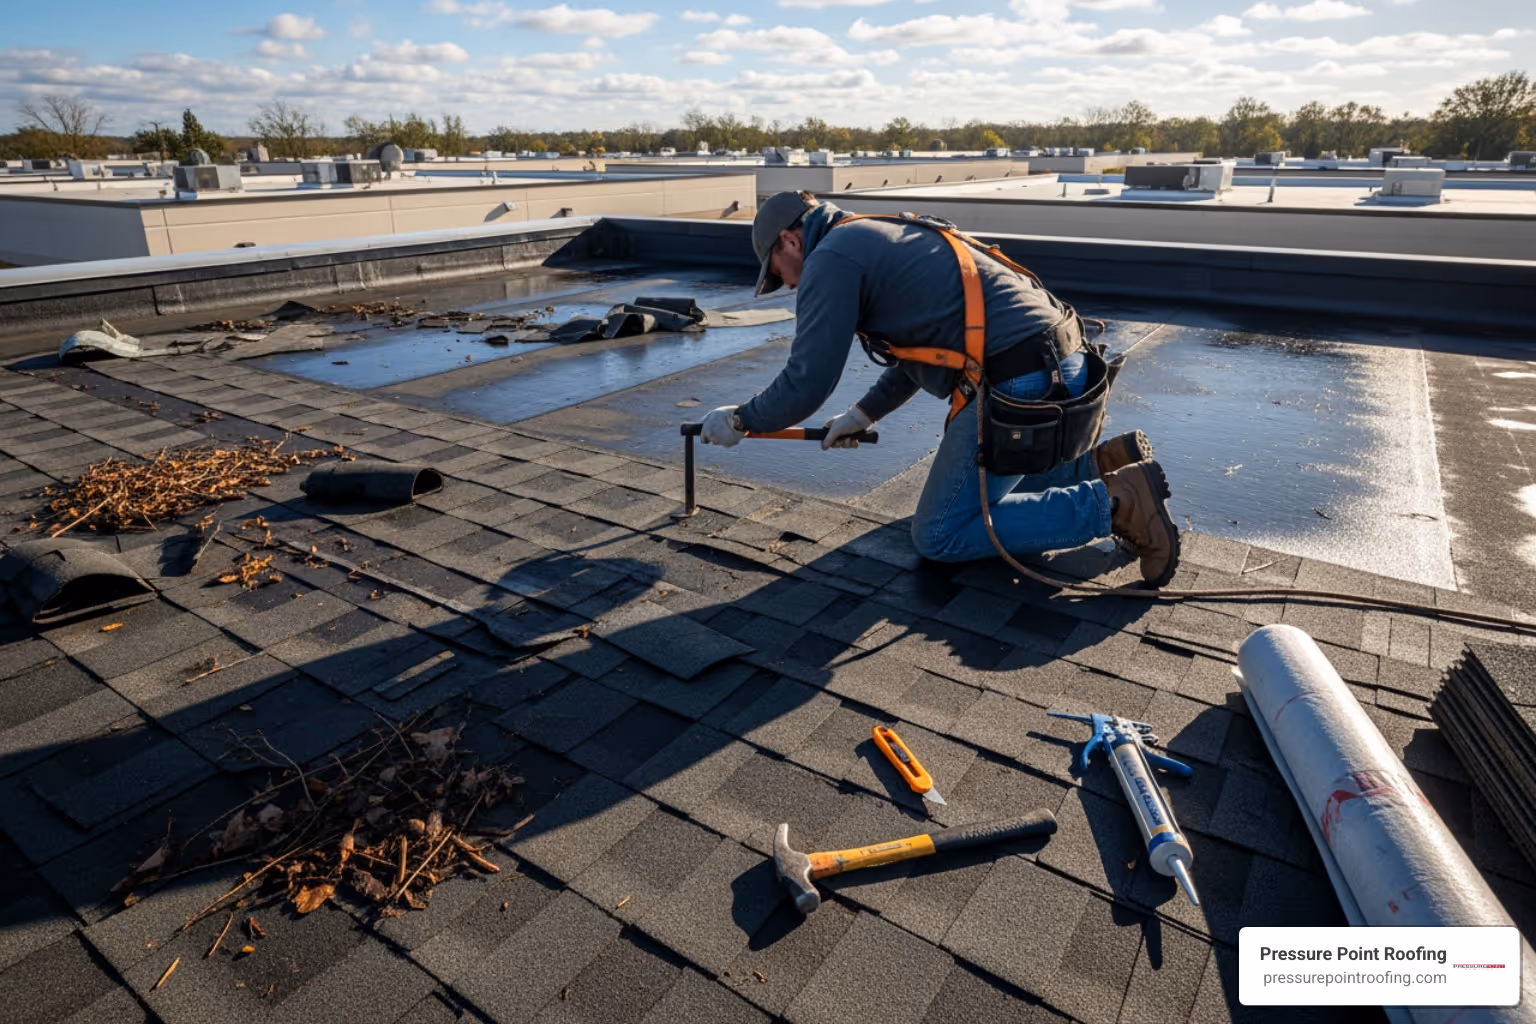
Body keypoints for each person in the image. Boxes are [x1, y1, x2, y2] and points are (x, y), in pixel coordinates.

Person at [699, 190, 1180, 586]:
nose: (783, 285)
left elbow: (807, 381)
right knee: (981, 493)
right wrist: (863, 414)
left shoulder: (831, 260)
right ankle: (1095, 466)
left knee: (940, 532)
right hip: (1067, 372)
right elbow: (920, 353)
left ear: (790, 239)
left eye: (776, 270)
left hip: (1023, 389)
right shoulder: (877, 234)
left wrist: (743, 419)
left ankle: (1117, 504)